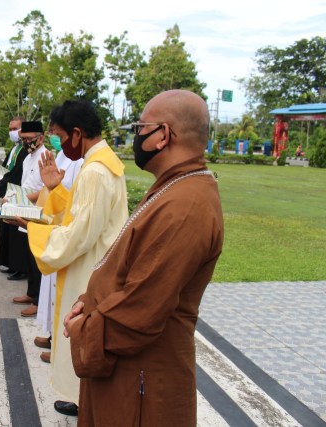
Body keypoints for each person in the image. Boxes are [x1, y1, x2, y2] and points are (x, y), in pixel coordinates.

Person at [63, 90, 224, 426]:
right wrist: (88, 300)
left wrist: (86, 326)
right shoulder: (175, 187)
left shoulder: (186, 205)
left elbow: (143, 308)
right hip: (131, 371)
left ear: (163, 135)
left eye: (139, 129)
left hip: (143, 380)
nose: (135, 137)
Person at [11, 100, 128, 417]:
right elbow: (80, 215)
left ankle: (89, 402)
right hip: (91, 261)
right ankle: (83, 396)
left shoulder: (96, 171)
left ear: (77, 134)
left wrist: (32, 228)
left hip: (90, 268)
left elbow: (79, 234)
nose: (59, 144)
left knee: (86, 335)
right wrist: (56, 188)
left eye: (61, 136)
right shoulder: (100, 163)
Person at [35, 118, 84, 363]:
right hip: (56, 225)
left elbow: (76, 207)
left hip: (66, 235)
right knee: (51, 290)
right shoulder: (63, 155)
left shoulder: (87, 164)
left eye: (57, 133)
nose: (55, 137)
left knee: (65, 296)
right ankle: (52, 337)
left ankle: (60, 346)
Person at [10, 121, 47, 317]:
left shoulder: (45, 157)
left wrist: (21, 198)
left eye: (28, 139)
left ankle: (39, 302)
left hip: (39, 214)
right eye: (23, 139)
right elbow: (25, 185)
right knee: (29, 257)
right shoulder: (28, 158)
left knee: (37, 262)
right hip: (26, 211)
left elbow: (46, 188)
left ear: (40, 138)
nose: (25, 143)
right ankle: (31, 293)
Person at [0, 117, 29, 281]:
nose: (12, 132)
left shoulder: (26, 150)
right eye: (10, 129)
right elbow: (4, 168)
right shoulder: (14, 148)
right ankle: (10, 263)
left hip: (18, 193)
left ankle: (20, 268)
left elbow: (16, 173)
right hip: (8, 193)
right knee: (7, 228)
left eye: (16, 128)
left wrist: (2, 185)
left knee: (18, 231)